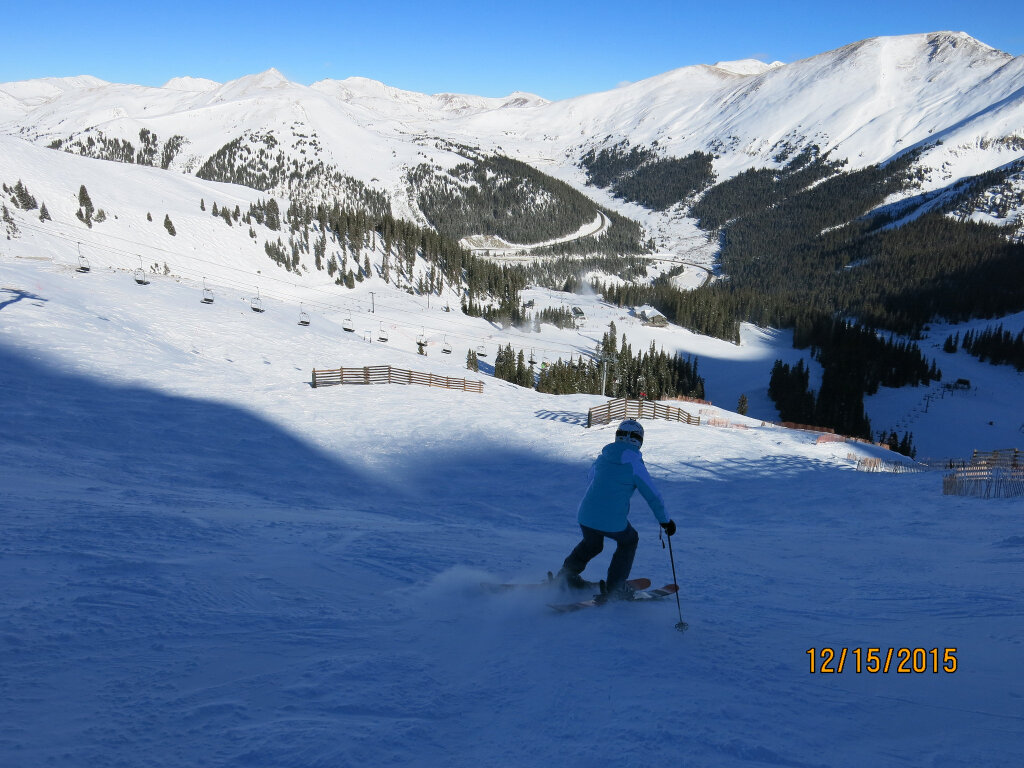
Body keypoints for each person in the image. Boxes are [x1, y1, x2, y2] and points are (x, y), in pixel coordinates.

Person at [557, 418, 675, 599]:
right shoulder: (635, 464)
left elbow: (591, 480)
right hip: (612, 521)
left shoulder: (603, 457)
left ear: (617, 436)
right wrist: (665, 521)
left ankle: (566, 577)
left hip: (586, 515)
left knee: (592, 544)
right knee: (629, 540)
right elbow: (653, 496)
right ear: (639, 441)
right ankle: (616, 587)